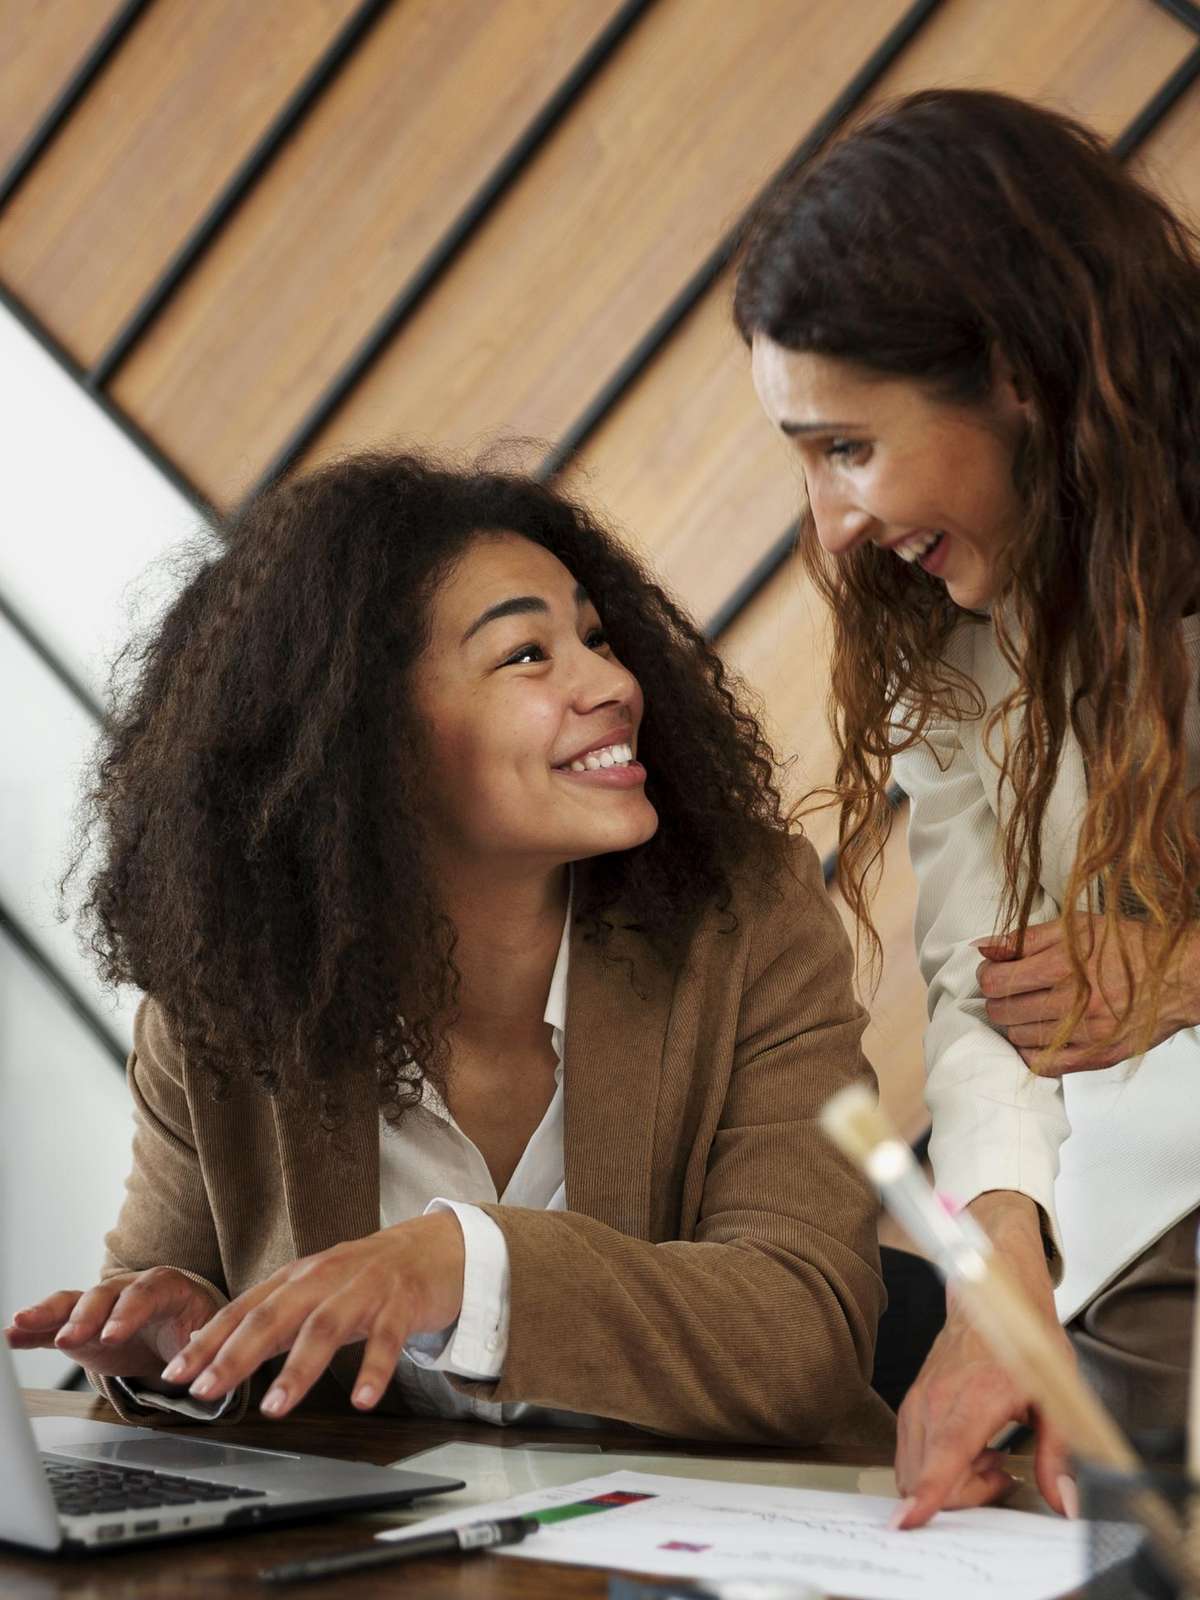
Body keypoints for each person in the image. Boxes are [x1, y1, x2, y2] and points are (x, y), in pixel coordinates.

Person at [5, 452, 890, 1446]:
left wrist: (460, 1266)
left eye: (596, 637)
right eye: (527, 655)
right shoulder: (231, 983)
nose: (613, 681)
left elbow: (806, 1331)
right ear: (363, 738)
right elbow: (171, 1298)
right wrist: (186, 1353)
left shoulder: (747, 922)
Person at [732, 88, 1200, 1519]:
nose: (831, 527)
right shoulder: (948, 618)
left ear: (1012, 374)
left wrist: (1181, 973)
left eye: (846, 448)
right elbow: (982, 978)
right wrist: (999, 1272)